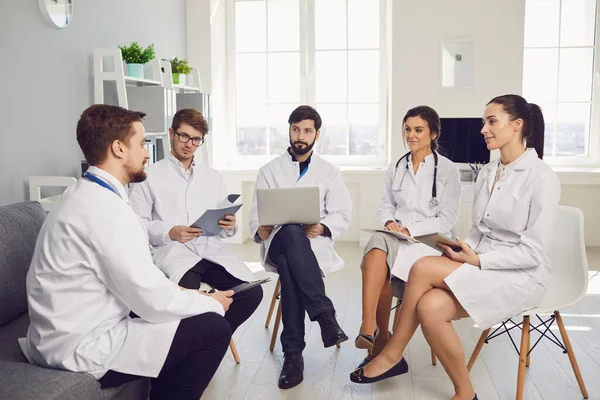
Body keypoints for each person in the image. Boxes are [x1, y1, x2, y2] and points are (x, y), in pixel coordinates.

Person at [349, 94, 561, 400]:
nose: (483, 129)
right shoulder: (487, 172)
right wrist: (462, 249)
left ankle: (392, 353)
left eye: (491, 122)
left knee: (422, 268)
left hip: (520, 276)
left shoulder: (541, 177)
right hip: (481, 262)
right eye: (483, 122)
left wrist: (477, 260)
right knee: (429, 306)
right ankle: (465, 392)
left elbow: (533, 253)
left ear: (517, 125)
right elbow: (478, 231)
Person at [25, 104, 234, 400]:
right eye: (142, 144)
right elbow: (150, 299)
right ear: (119, 149)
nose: (147, 153)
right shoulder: (106, 212)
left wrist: (193, 296)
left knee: (187, 313)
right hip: (80, 347)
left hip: (65, 331)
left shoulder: (85, 193)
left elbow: (141, 280)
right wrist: (211, 303)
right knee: (213, 328)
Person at [129, 108, 262, 334]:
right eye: (184, 136)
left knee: (250, 292)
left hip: (210, 251)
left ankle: (210, 338)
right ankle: (197, 341)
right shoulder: (148, 176)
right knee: (187, 297)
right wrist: (169, 232)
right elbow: (136, 224)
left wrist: (230, 226)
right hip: (174, 252)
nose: (189, 144)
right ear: (171, 133)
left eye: (196, 139)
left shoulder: (212, 177)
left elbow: (225, 227)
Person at [249, 105, 352, 389]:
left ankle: (293, 356)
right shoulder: (269, 170)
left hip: (310, 245)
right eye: (296, 129)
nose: (300, 136)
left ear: (317, 133)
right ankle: (324, 315)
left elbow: (342, 213)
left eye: (307, 131)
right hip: (277, 240)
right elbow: (255, 217)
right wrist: (261, 228)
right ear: (289, 130)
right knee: (291, 231)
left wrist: (322, 227)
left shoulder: (329, 172)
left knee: (291, 267)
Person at [355, 106, 461, 368]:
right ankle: (371, 327)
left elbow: (447, 219)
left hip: (429, 242)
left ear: (433, 133)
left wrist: (410, 231)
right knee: (377, 244)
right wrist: (390, 221)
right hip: (397, 238)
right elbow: (385, 204)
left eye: (418, 130)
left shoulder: (448, 170)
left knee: (385, 269)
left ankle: (380, 338)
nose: (410, 135)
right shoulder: (397, 166)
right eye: (407, 129)